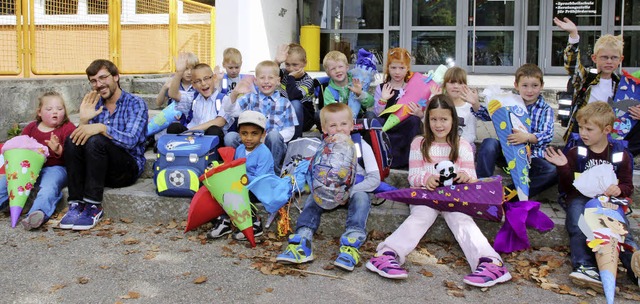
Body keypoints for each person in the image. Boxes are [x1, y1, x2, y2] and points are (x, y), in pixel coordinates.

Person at [365, 95, 512, 287]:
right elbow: (413, 177)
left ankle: (490, 262)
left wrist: (465, 177)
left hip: (455, 197)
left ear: (453, 119)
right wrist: (427, 179)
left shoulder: (463, 145)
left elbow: (471, 176)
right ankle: (387, 253)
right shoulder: (419, 143)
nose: (438, 124)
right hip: (425, 196)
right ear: (427, 120)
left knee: (461, 219)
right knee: (422, 216)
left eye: (444, 119)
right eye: (434, 119)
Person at [544, 101, 640, 289]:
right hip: (580, 198)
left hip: (609, 201)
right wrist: (563, 168)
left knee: (619, 232)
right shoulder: (575, 151)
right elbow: (567, 188)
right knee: (578, 223)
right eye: (581, 127)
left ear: (607, 130)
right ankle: (585, 266)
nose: (583, 133)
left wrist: (619, 189)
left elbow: (628, 185)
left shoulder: (620, 153)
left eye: (589, 129)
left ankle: (634, 266)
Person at [276, 102, 380, 271]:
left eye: (344, 124)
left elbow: (374, 179)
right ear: (324, 129)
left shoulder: (361, 145)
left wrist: (347, 191)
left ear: (352, 125)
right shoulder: (321, 147)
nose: (339, 129)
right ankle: (302, 241)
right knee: (312, 200)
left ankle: (350, 246)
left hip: (355, 189)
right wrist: (321, 188)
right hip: (327, 192)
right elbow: (311, 174)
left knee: (362, 200)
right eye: (333, 125)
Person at [60, 59, 148, 231]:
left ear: (116, 77)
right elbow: (79, 145)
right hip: (98, 170)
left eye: (103, 78)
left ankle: (93, 206)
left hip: (126, 168)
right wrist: (84, 120)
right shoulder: (94, 105)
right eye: (93, 81)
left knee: (97, 140)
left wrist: (101, 128)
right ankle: (76, 204)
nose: (98, 84)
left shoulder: (136, 103)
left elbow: (131, 140)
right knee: (72, 139)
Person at [552, 17, 638, 153]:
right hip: (585, 131)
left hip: (609, 134)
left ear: (620, 59)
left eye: (614, 57)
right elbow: (572, 65)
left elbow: (628, 111)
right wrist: (574, 35)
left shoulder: (625, 84)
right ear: (594, 58)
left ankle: (623, 158)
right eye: (604, 57)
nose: (609, 61)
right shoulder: (585, 79)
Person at [472, 63, 556, 198]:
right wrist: (475, 104)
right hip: (507, 152)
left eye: (535, 85)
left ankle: (505, 194)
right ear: (516, 85)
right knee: (489, 143)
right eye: (525, 85)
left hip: (531, 157)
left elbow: (547, 135)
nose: (530, 90)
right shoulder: (509, 102)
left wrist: (527, 137)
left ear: (542, 86)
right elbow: (488, 115)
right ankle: (482, 185)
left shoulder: (545, 109)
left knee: (551, 172)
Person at [0, 92, 76, 230]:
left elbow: (75, 155)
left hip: (56, 168)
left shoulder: (67, 128)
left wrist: (59, 150)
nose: (55, 112)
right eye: (49, 109)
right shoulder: (31, 128)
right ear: (39, 112)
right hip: (29, 169)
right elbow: (21, 146)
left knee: (49, 186)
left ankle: (37, 213)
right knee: (5, 183)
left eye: (60, 109)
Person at [207, 110, 274, 240]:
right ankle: (225, 220)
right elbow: (235, 168)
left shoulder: (263, 153)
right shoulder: (240, 149)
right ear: (239, 134)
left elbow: (261, 179)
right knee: (221, 189)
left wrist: (243, 179)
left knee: (237, 195)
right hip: (242, 183)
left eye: (254, 134)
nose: (248, 138)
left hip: (259, 188)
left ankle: (255, 223)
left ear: (263, 134)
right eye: (244, 133)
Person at [224, 60, 297, 176]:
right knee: (230, 137)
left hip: (272, 145)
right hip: (250, 141)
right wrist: (235, 93)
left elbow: (290, 131)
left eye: (271, 78)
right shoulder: (250, 98)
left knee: (274, 136)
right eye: (262, 78)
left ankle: (272, 173)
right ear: (256, 81)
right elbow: (230, 111)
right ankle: (240, 170)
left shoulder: (285, 103)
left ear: (278, 81)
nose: (266, 81)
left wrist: (265, 138)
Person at [373, 47, 427, 169]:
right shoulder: (382, 88)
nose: (397, 72)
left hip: (406, 128)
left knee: (414, 121)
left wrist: (419, 114)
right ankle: (384, 157)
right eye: (393, 68)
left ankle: (410, 160)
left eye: (401, 68)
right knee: (377, 123)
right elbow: (377, 113)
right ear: (388, 68)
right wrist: (383, 99)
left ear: (407, 68)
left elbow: (422, 113)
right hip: (387, 126)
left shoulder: (413, 87)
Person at [165, 53, 229, 145]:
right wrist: (179, 74)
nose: (203, 83)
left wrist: (192, 130)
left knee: (214, 130)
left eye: (206, 78)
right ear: (193, 85)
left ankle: (209, 157)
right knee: (174, 127)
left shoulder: (223, 99)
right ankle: (178, 154)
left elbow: (220, 121)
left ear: (214, 78)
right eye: (198, 81)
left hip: (208, 138)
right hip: (191, 137)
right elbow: (173, 94)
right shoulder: (193, 98)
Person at [275, 43, 315, 139]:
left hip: (304, 119)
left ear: (305, 63)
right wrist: (277, 61)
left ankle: (295, 139)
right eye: (287, 64)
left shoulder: (308, 81)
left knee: (295, 103)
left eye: (295, 65)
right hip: (284, 117)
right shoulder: (284, 73)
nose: (291, 68)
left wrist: (291, 77)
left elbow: (293, 96)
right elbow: (269, 72)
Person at [322, 50, 374, 120]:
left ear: (347, 67)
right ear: (328, 73)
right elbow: (331, 111)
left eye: (340, 67)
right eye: (333, 69)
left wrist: (360, 93)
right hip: (340, 120)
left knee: (370, 115)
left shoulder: (356, 81)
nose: (337, 71)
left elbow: (371, 103)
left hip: (358, 117)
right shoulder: (329, 91)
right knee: (319, 115)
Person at [155, 52, 199, 127]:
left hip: (192, 121)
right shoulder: (175, 83)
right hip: (174, 121)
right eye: (186, 69)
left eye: (192, 69)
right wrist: (164, 88)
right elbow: (159, 103)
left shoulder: (198, 85)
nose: (189, 72)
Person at [438, 66, 479, 145]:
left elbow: (471, 134)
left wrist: (458, 143)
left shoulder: (469, 107)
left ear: (465, 86)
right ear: (444, 85)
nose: (456, 86)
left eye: (460, 83)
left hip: (464, 146)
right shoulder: (439, 104)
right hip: (442, 144)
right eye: (452, 82)